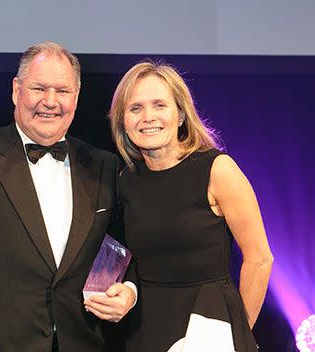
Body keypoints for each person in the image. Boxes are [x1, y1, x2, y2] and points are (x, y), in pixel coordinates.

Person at [0, 41, 136, 352]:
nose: (50, 101)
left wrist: (128, 289)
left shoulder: (103, 164)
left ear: (76, 97)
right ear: (16, 90)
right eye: (39, 88)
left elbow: (125, 246)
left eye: (62, 91)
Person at [101, 60, 273, 351]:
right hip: (146, 329)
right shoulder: (125, 180)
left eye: (159, 105)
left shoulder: (218, 170)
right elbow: (126, 257)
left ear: (180, 114)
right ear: (122, 121)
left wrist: (237, 333)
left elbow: (260, 259)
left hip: (208, 325)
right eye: (135, 108)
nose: (148, 117)